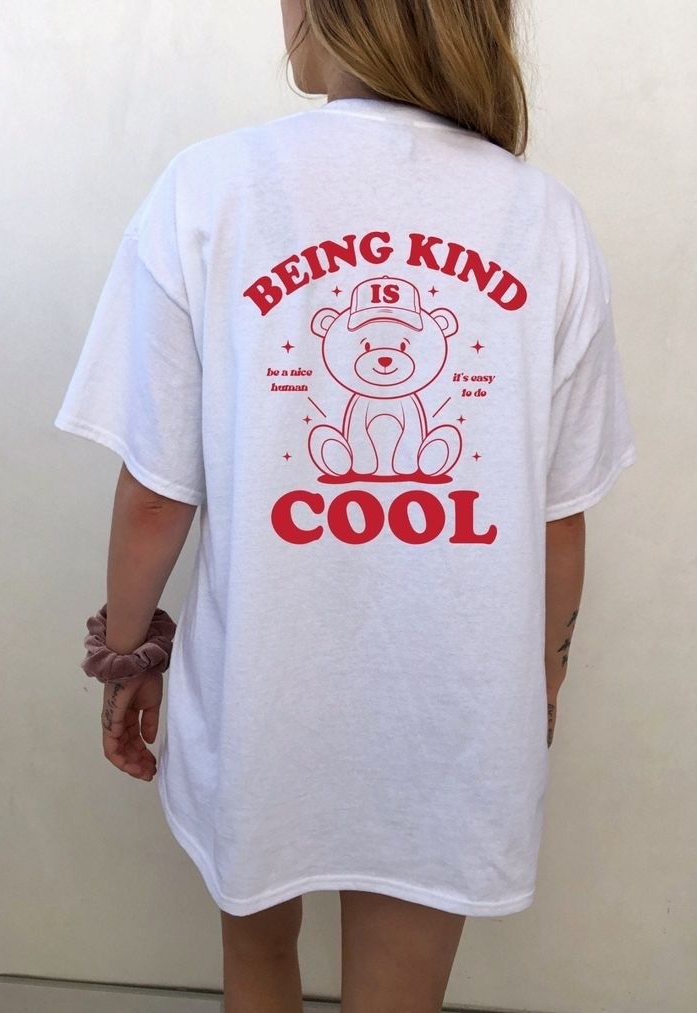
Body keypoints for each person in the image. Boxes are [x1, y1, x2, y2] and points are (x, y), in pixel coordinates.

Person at [53, 1, 637, 1010]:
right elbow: (560, 515)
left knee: (259, 965)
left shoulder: (210, 190)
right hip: (452, 713)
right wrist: (539, 683)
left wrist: (128, 655)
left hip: (261, 695)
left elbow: (154, 495)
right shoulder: (545, 220)